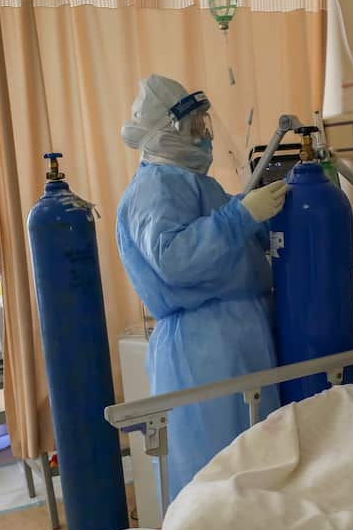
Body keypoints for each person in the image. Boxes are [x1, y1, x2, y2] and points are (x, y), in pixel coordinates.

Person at [116, 75, 289, 504]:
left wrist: (260, 220)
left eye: (203, 125)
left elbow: (231, 246)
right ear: (165, 133)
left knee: (256, 464)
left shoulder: (195, 184)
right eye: (194, 127)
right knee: (215, 475)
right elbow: (175, 257)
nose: (203, 136)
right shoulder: (156, 186)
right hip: (203, 347)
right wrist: (239, 218)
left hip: (238, 334)